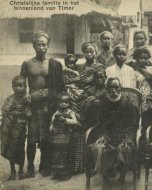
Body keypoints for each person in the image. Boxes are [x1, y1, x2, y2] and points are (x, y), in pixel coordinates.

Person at [20, 31, 65, 177]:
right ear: (34, 46)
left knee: (46, 137)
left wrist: (48, 94)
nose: (41, 47)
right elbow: (21, 83)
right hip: (33, 106)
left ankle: (44, 166)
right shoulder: (27, 64)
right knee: (32, 138)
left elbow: (59, 86)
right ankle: (31, 167)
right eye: (38, 44)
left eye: (44, 44)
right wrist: (26, 95)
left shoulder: (53, 64)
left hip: (48, 105)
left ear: (48, 46)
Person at [88, 77, 139, 189]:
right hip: (107, 137)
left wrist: (127, 138)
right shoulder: (101, 105)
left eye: (116, 87)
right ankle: (106, 178)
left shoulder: (129, 105)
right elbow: (98, 125)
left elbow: (132, 126)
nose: (114, 91)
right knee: (98, 148)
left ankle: (119, 172)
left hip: (124, 137)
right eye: (111, 87)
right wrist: (103, 136)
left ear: (121, 88)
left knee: (125, 149)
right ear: (106, 89)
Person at [72, 42, 104, 174]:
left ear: (96, 53)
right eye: (87, 52)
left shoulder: (100, 67)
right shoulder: (79, 67)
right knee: (78, 130)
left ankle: (92, 163)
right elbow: (74, 81)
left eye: (92, 52)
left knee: (92, 131)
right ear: (83, 53)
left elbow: (100, 83)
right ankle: (79, 165)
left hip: (94, 101)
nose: (89, 54)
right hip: (78, 99)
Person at [1, 76, 31, 180]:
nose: (19, 88)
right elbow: (4, 111)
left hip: (20, 128)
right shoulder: (10, 99)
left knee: (20, 148)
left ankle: (21, 171)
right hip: (10, 128)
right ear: (12, 87)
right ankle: (13, 171)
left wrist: (20, 113)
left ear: (25, 86)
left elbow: (29, 114)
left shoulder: (27, 99)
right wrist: (12, 110)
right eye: (16, 86)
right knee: (11, 148)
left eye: (21, 86)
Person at [49, 93, 79, 180]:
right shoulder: (56, 113)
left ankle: (66, 173)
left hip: (67, 136)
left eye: (66, 102)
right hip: (57, 137)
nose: (63, 104)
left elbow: (75, 122)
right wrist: (51, 128)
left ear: (69, 103)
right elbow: (52, 123)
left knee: (65, 154)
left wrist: (65, 120)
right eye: (61, 102)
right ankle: (56, 172)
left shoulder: (71, 112)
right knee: (56, 154)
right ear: (58, 103)